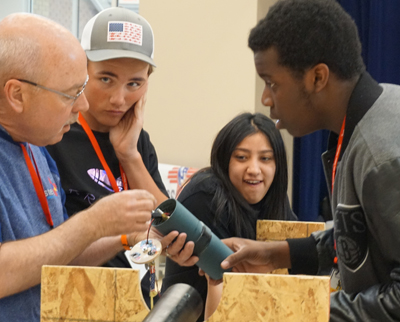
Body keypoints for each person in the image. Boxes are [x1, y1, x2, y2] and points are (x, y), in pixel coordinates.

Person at [206, 0, 400, 321]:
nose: (266, 99)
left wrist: (298, 312)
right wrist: (276, 254)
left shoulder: (382, 155)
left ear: (317, 77)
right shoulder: (365, 119)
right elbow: (357, 237)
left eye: (272, 83)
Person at [0, 13, 178, 322]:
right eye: (70, 93)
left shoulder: (34, 144)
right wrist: (92, 223)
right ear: (17, 95)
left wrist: (120, 237)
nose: (82, 106)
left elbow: (54, 255)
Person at [47, 7, 168, 268]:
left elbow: (169, 229)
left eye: (134, 84)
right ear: (83, 70)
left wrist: (130, 156)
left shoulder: (138, 141)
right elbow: (48, 249)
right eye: (105, 79)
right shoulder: (54, 136)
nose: (118, 99)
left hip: (137, 296)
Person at [161, 112, 296, 321]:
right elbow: (226, 286)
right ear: (225, 161)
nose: (254, 170)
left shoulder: (274, 199)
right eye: (241, 157)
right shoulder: (206, 195)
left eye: (265, 158)